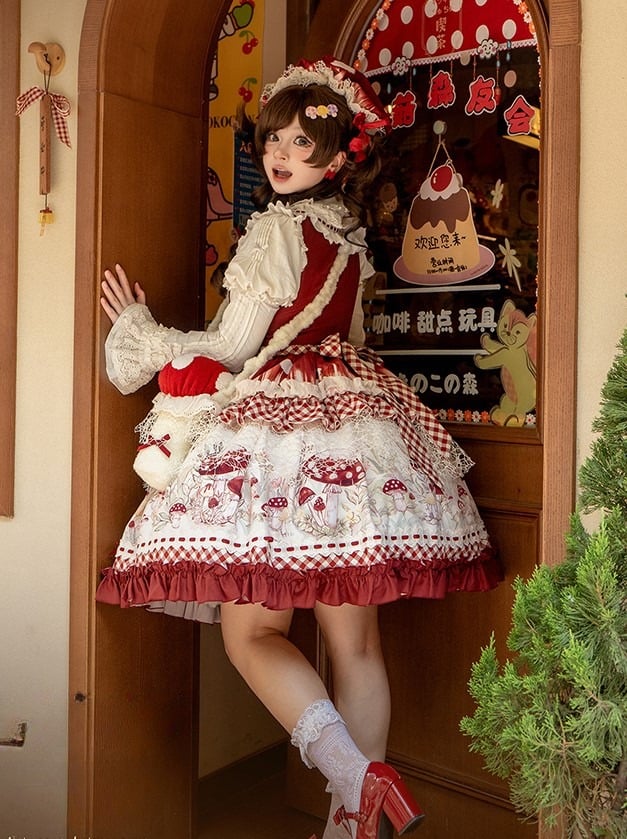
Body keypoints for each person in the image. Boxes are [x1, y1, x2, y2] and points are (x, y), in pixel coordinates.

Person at [97, 56, 502, 839]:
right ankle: (356, 827)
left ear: (336, 154)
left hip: (278, 432)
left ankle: (356, 777)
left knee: (252, 633)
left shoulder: (276, 229)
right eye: (274, 139)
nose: (280, 154)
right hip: (357, 421)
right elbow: (339, 335)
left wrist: (138, 331)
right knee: (357, 644)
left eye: (300, 143)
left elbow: (229, 348)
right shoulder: (348, 237)